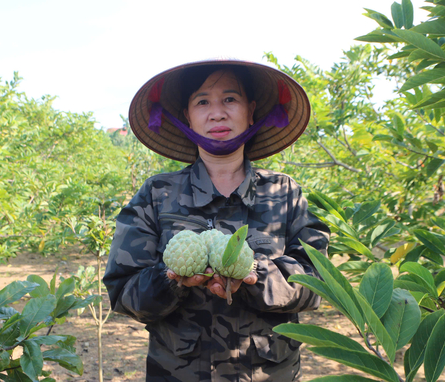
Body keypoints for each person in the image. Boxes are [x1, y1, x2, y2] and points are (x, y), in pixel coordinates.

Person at [103, 59, 330, 382]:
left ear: (251, 110)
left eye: (230, 99)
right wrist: (171, 279)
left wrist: (254, 273)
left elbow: (317, 281)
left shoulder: (284, 193)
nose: (217, 113)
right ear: (187, 116)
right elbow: (122, 290)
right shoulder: (158, 194)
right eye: (203, 101)